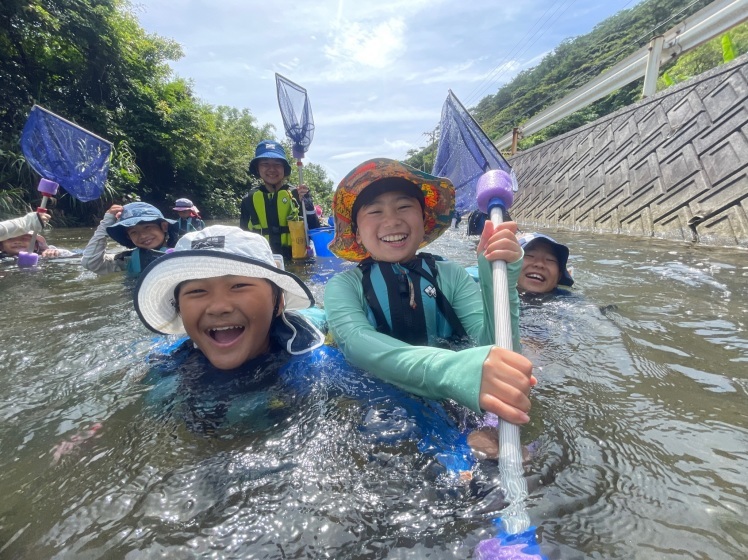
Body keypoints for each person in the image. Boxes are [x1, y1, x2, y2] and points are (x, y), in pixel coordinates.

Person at [133, 225, 476, 471]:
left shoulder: (314, 362)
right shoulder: (167, 365)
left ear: (278, 302)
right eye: (196, 292)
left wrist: (462, 449)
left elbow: (400, 402)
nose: (219, 306)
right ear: (178, 308)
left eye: (238, 286)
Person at [324, 158, 536, 436]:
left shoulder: (452, 275)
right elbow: (356, 345)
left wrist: (497, 279)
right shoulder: (343, 287)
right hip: (379, 398)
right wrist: (450, 372)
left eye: (404, 207)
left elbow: (497, 347)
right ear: (358, 235)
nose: (392, 220)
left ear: (424, 221)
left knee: (501, 454)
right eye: (374, 211)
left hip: (455, 393)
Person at [239, 140, 320, 258]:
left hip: (296, 263)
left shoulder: (298, 195)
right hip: (263, 262)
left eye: (277, 164)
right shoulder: (248, 200)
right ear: (257, 168)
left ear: (284, 169)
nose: (272, 169)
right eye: (265, 164)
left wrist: (307, 204)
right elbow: (242, 238)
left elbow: (315, 232)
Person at [81, 202, 178, 277]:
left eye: (148, 227)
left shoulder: (183, 250)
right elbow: (90, 262)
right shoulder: (127, 259)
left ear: (164, 227)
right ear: (129, 237)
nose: (142, 236)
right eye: (133, 232)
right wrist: (106, 223)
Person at [0, 211, 73, 259]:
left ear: (36, 246)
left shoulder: (42, 255)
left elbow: (70, 254)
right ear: (2, 247)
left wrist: (56, 252)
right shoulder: (2, 258)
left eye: (24, 238)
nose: (17, 242)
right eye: (10, 239)